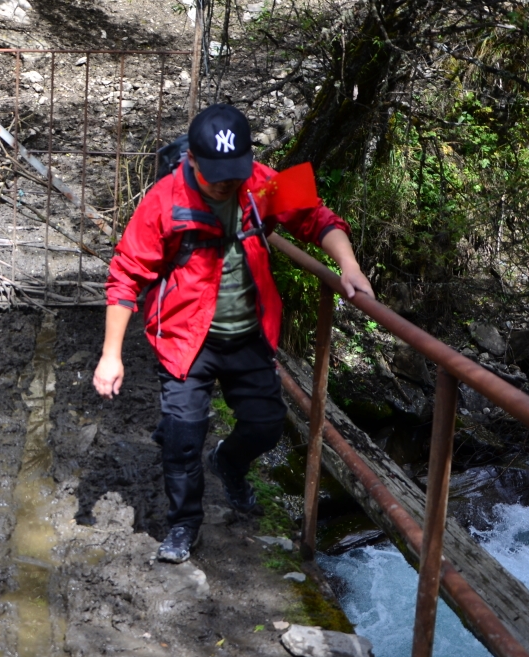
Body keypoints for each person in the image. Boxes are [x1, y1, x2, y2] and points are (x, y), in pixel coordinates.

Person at [92, 104, 374, 564]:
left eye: (235, 172)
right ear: (194, 161)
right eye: (217, 173)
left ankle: (230, 461)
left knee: (265, 427)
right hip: (186, 339)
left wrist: (349, 265)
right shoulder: (163, 201)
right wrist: (111, 355)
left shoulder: (261, 180)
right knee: (184, 437)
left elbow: (317, 217)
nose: (227, 182)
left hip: (248, 334)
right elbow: (125, 277)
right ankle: (184, 524)